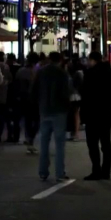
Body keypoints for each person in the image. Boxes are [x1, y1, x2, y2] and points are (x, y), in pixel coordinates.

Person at [33, 52, 71, 181]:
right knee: (59, 144)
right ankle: (59, 172)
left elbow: (34, 90)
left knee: (44, 142)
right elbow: (66, 92)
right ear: (60, 60)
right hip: (59, 111)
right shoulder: (62, 73)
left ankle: (43, 171)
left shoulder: (41, 72)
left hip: (44, 110)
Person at [81, 51, 111, 181]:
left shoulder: (90, 74)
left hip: (92, 114)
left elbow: (85, 95)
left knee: (93, 144)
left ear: (92, 60)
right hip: (105, 113)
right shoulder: (110, 74)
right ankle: (106, 171)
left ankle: (96, 170)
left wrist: (83, 114)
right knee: (106, 144)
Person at [16, 52, 40, 153]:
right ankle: (30, 138)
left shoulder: (21, 71)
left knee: (27, 120)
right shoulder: (37, 72)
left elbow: (16, 84)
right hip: (35, 99)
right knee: (37, 121)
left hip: (23, 98)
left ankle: (28, 137)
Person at [0, 52, 12, 142]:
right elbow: (9, 79)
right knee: (5, 116)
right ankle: (9, 134)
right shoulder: (6, 67)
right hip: (4, 95)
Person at [67, 55, 85, 140]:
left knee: (72, 115)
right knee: (76, 115)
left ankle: (73, 133)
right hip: (77, 97)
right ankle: (75, 133)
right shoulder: (79, 74)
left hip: (70, 97)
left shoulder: (67, 75)